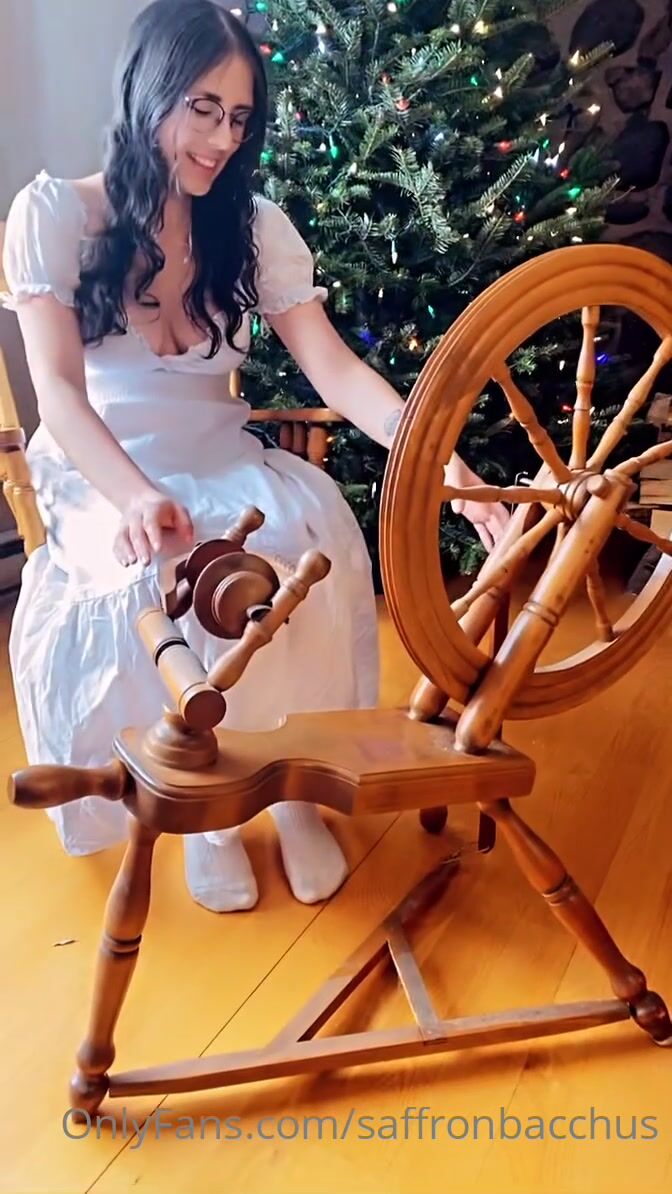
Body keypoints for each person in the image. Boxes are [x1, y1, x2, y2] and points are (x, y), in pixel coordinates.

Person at [1, 0, 508, 913]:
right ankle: (213, 816)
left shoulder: (251, 224)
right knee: (173, 565)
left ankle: (290, 785)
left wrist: (449, 470)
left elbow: (337, 371)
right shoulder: (57, 215)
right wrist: (135, 495)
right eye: (203, 108)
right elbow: (62, 397)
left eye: (239, 117)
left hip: (217, 447)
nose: (222, 140)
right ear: (146, 91)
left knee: (297, 543)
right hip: (102, 465)